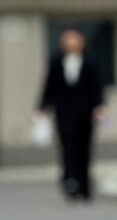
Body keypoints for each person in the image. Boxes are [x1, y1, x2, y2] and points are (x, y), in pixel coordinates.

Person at [37, 29, 105, 201]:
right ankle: (70, 181)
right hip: (64, 113)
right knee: (67, 148)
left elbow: (97, 87)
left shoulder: (90, 62)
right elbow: (49, 87)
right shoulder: (56, 62)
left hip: (85, 114)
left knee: (84, 149)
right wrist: (41, 108)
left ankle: (84, 185)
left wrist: (99, 106)